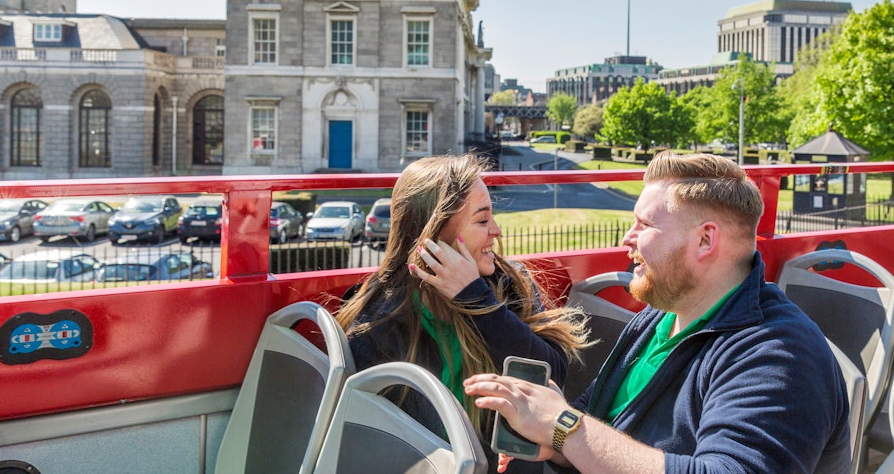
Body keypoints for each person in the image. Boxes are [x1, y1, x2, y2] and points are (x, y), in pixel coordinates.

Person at [465, 150, 851, 473]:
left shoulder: (777, 354)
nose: (626, 239)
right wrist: (550, 432)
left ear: (705, 239)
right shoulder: (661, 316)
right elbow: (597, 417)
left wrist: (565, 426)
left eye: (644, 225)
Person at [336, 153, 589, 472]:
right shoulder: (380, 322)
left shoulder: (507, 283)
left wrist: (477, 300)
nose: (496, 230)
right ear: (437, 237)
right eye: (482, 220)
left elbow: (551, 374)